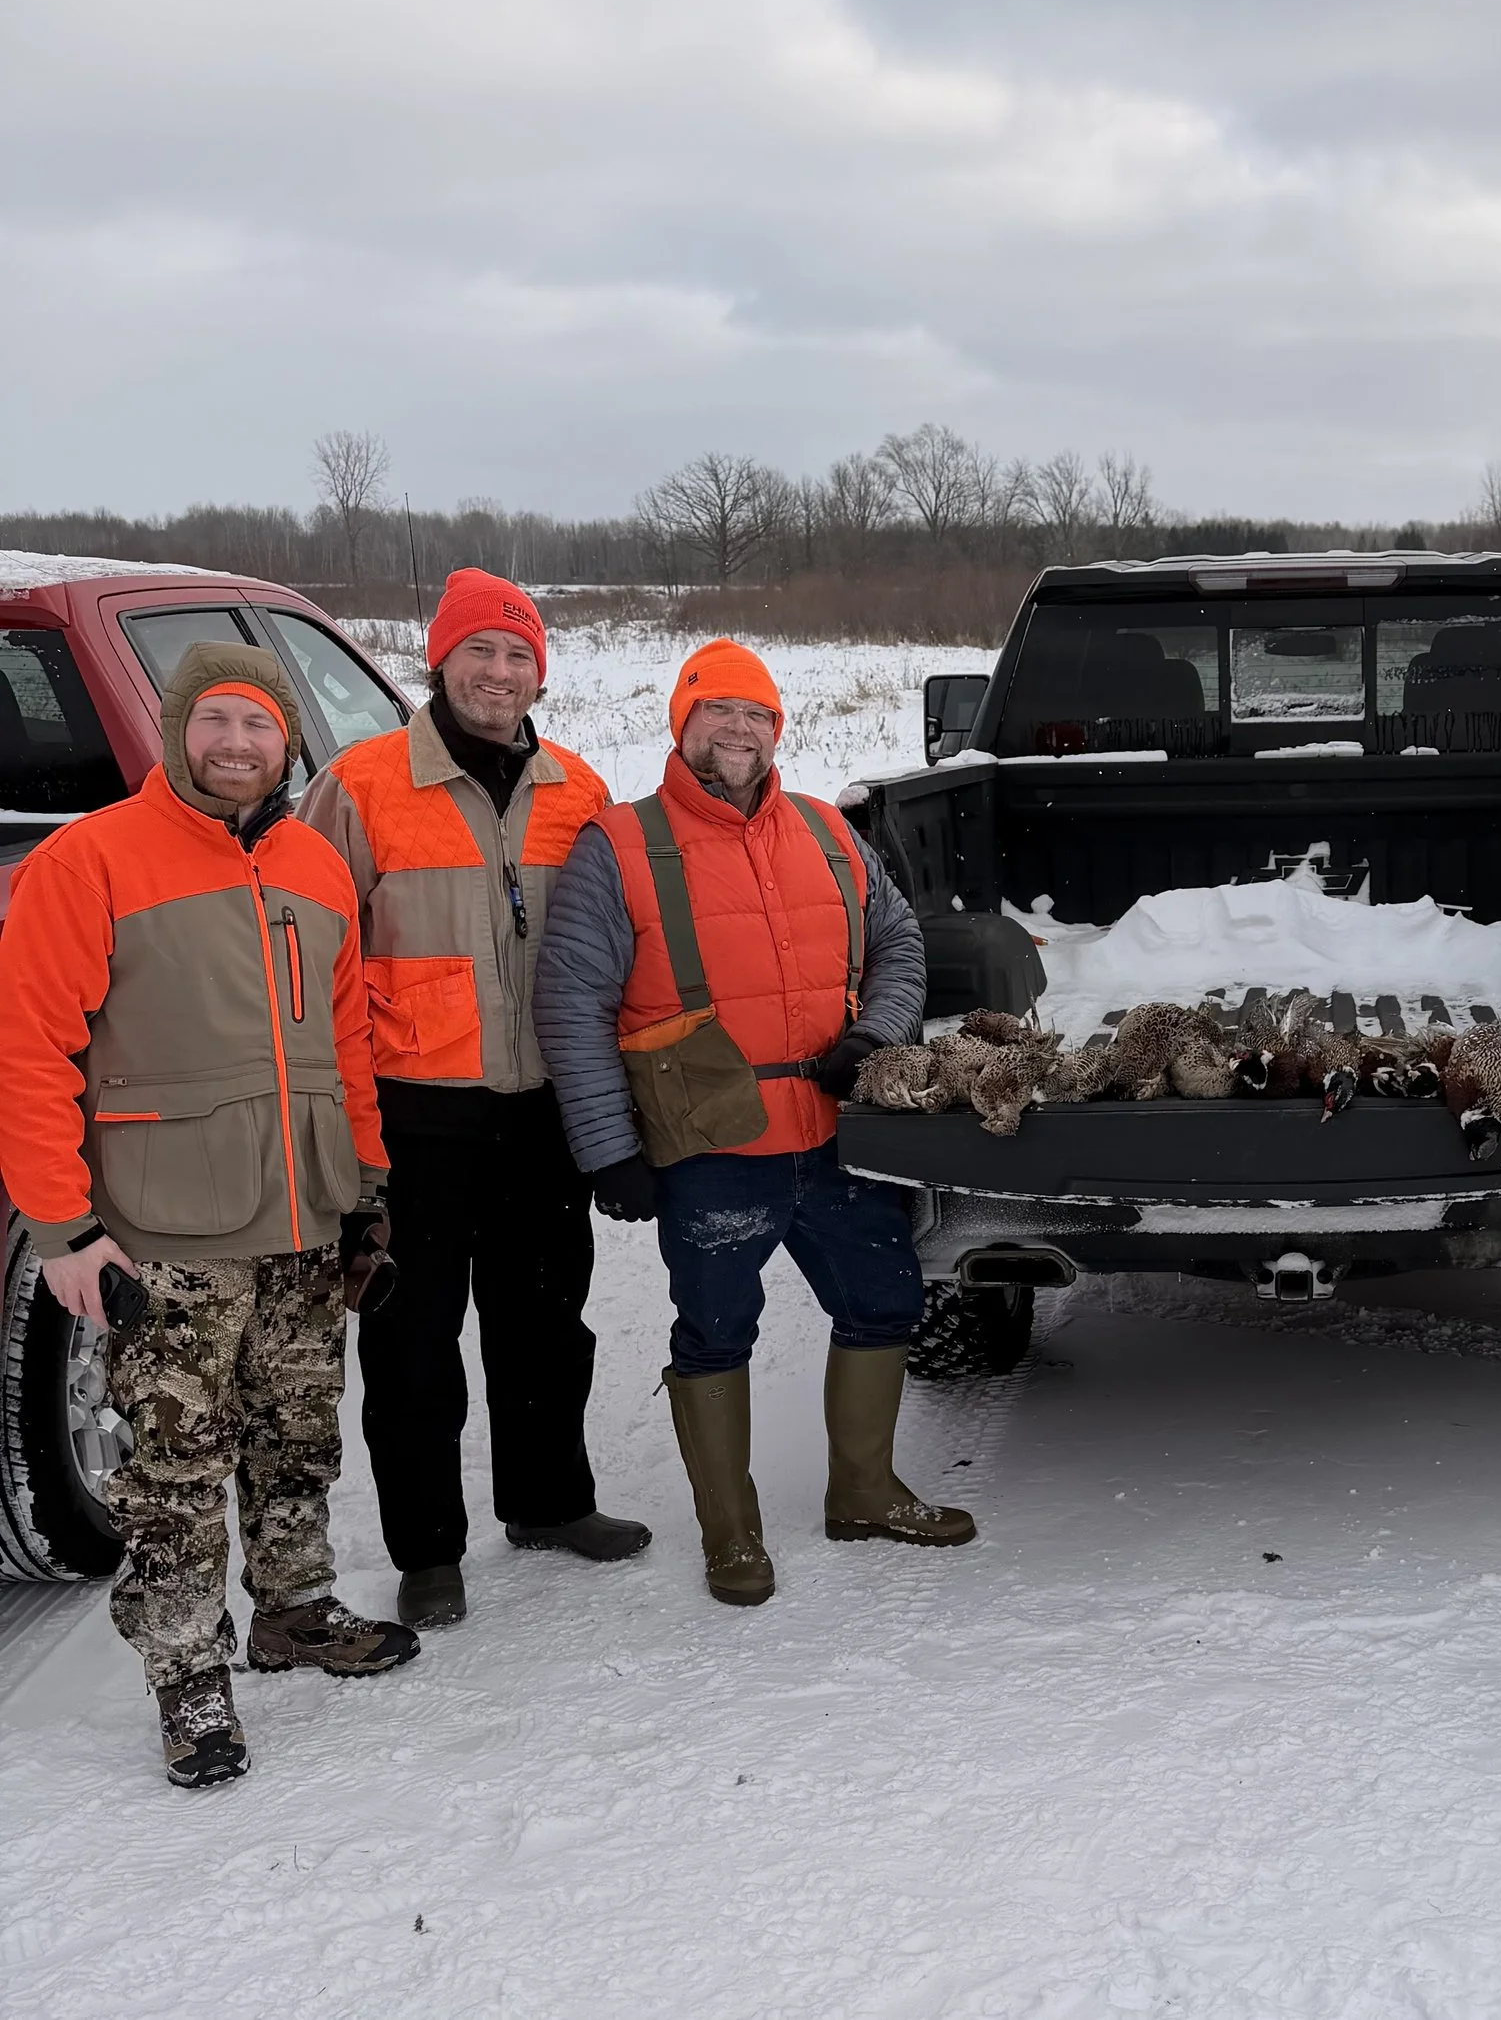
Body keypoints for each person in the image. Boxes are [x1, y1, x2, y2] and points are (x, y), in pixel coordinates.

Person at [0, 644, 418, 1788]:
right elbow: (28, 1051)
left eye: (259, 725)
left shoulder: (315, 867)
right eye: (215, 721)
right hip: (167, 1231)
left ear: (287, 742)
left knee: (297, 1434)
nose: (237, 744)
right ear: (177, 729)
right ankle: (187, 1670)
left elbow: (346, 1046)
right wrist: (61, 1226)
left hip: (304, 1216)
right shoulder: (90, 860)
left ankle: (293, 1606)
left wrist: (365, 1188)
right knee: (176, 1466)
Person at [531, 638, 953, 1607]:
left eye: (755, 713)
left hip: (837, 1134)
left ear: (777, 729)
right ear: (681, 726)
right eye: (715, 711)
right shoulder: (617, 844)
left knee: (884, 1301)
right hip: (712, 1143)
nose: (737, 729)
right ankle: (730, 1533)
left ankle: (864, 1492)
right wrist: (608, 1149)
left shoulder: (827, 829)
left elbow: (897, 940)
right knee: (715, 1332)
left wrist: (876, 1034)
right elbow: (571, 1003)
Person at [302, 570, 648, 1633]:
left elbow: (616, 953)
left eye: (518, 655)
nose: (499, 673)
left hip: (541, 1109)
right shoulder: (360, 786)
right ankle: (427, 1550)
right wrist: (339, 1129)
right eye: (479, 652)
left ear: (540, 671)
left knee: (546, 1322)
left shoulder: (579, 790)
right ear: (438, 660)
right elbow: (311, 964)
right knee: (412, 1342)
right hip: (414, 1113)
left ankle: (548, 1501)